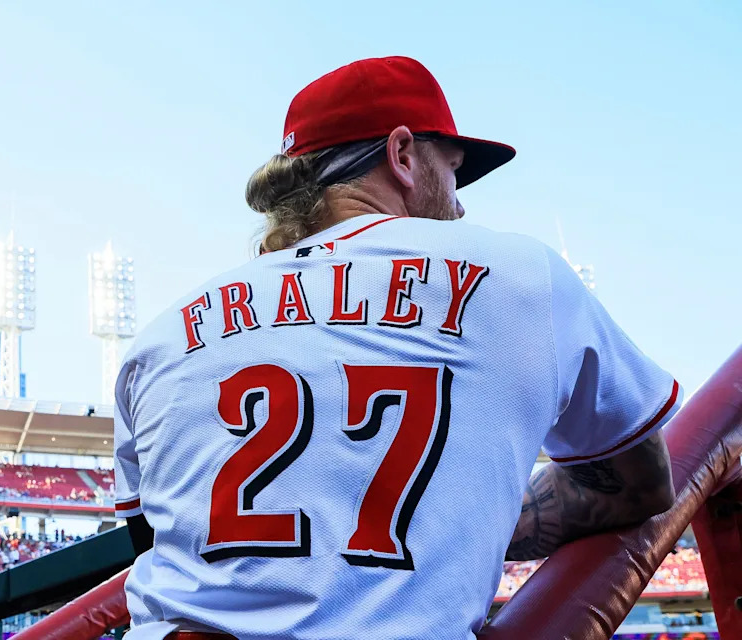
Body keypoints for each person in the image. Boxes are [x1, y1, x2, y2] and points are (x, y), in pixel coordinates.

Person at [113, 56, 679, 640]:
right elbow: (642, 482)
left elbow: (147, 541)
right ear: (403, 155)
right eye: (453, 170)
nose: (460, 205)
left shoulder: (159, 335)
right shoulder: (520, 274)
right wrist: (451, 516)